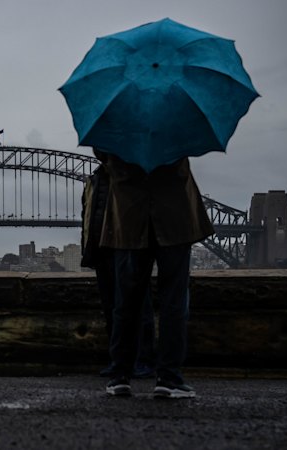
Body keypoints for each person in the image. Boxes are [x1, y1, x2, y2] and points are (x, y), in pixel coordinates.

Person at [99, 151, 213, 398]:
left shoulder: (116, 130)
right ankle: (169, 379)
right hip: (174, 218)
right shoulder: (175, 128)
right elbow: (192, 145)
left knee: (126, 302)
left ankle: (119, 376)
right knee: (174, 300)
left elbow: (103, 155)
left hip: (128, 219)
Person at [81, 160, 156, 379]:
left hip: (127, 247)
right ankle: (119, 361)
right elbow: (88, 215)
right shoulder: (94, 179)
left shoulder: (130, 175)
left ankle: (144, 360)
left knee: (139, 306)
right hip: (100, 251)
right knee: (112, 308)